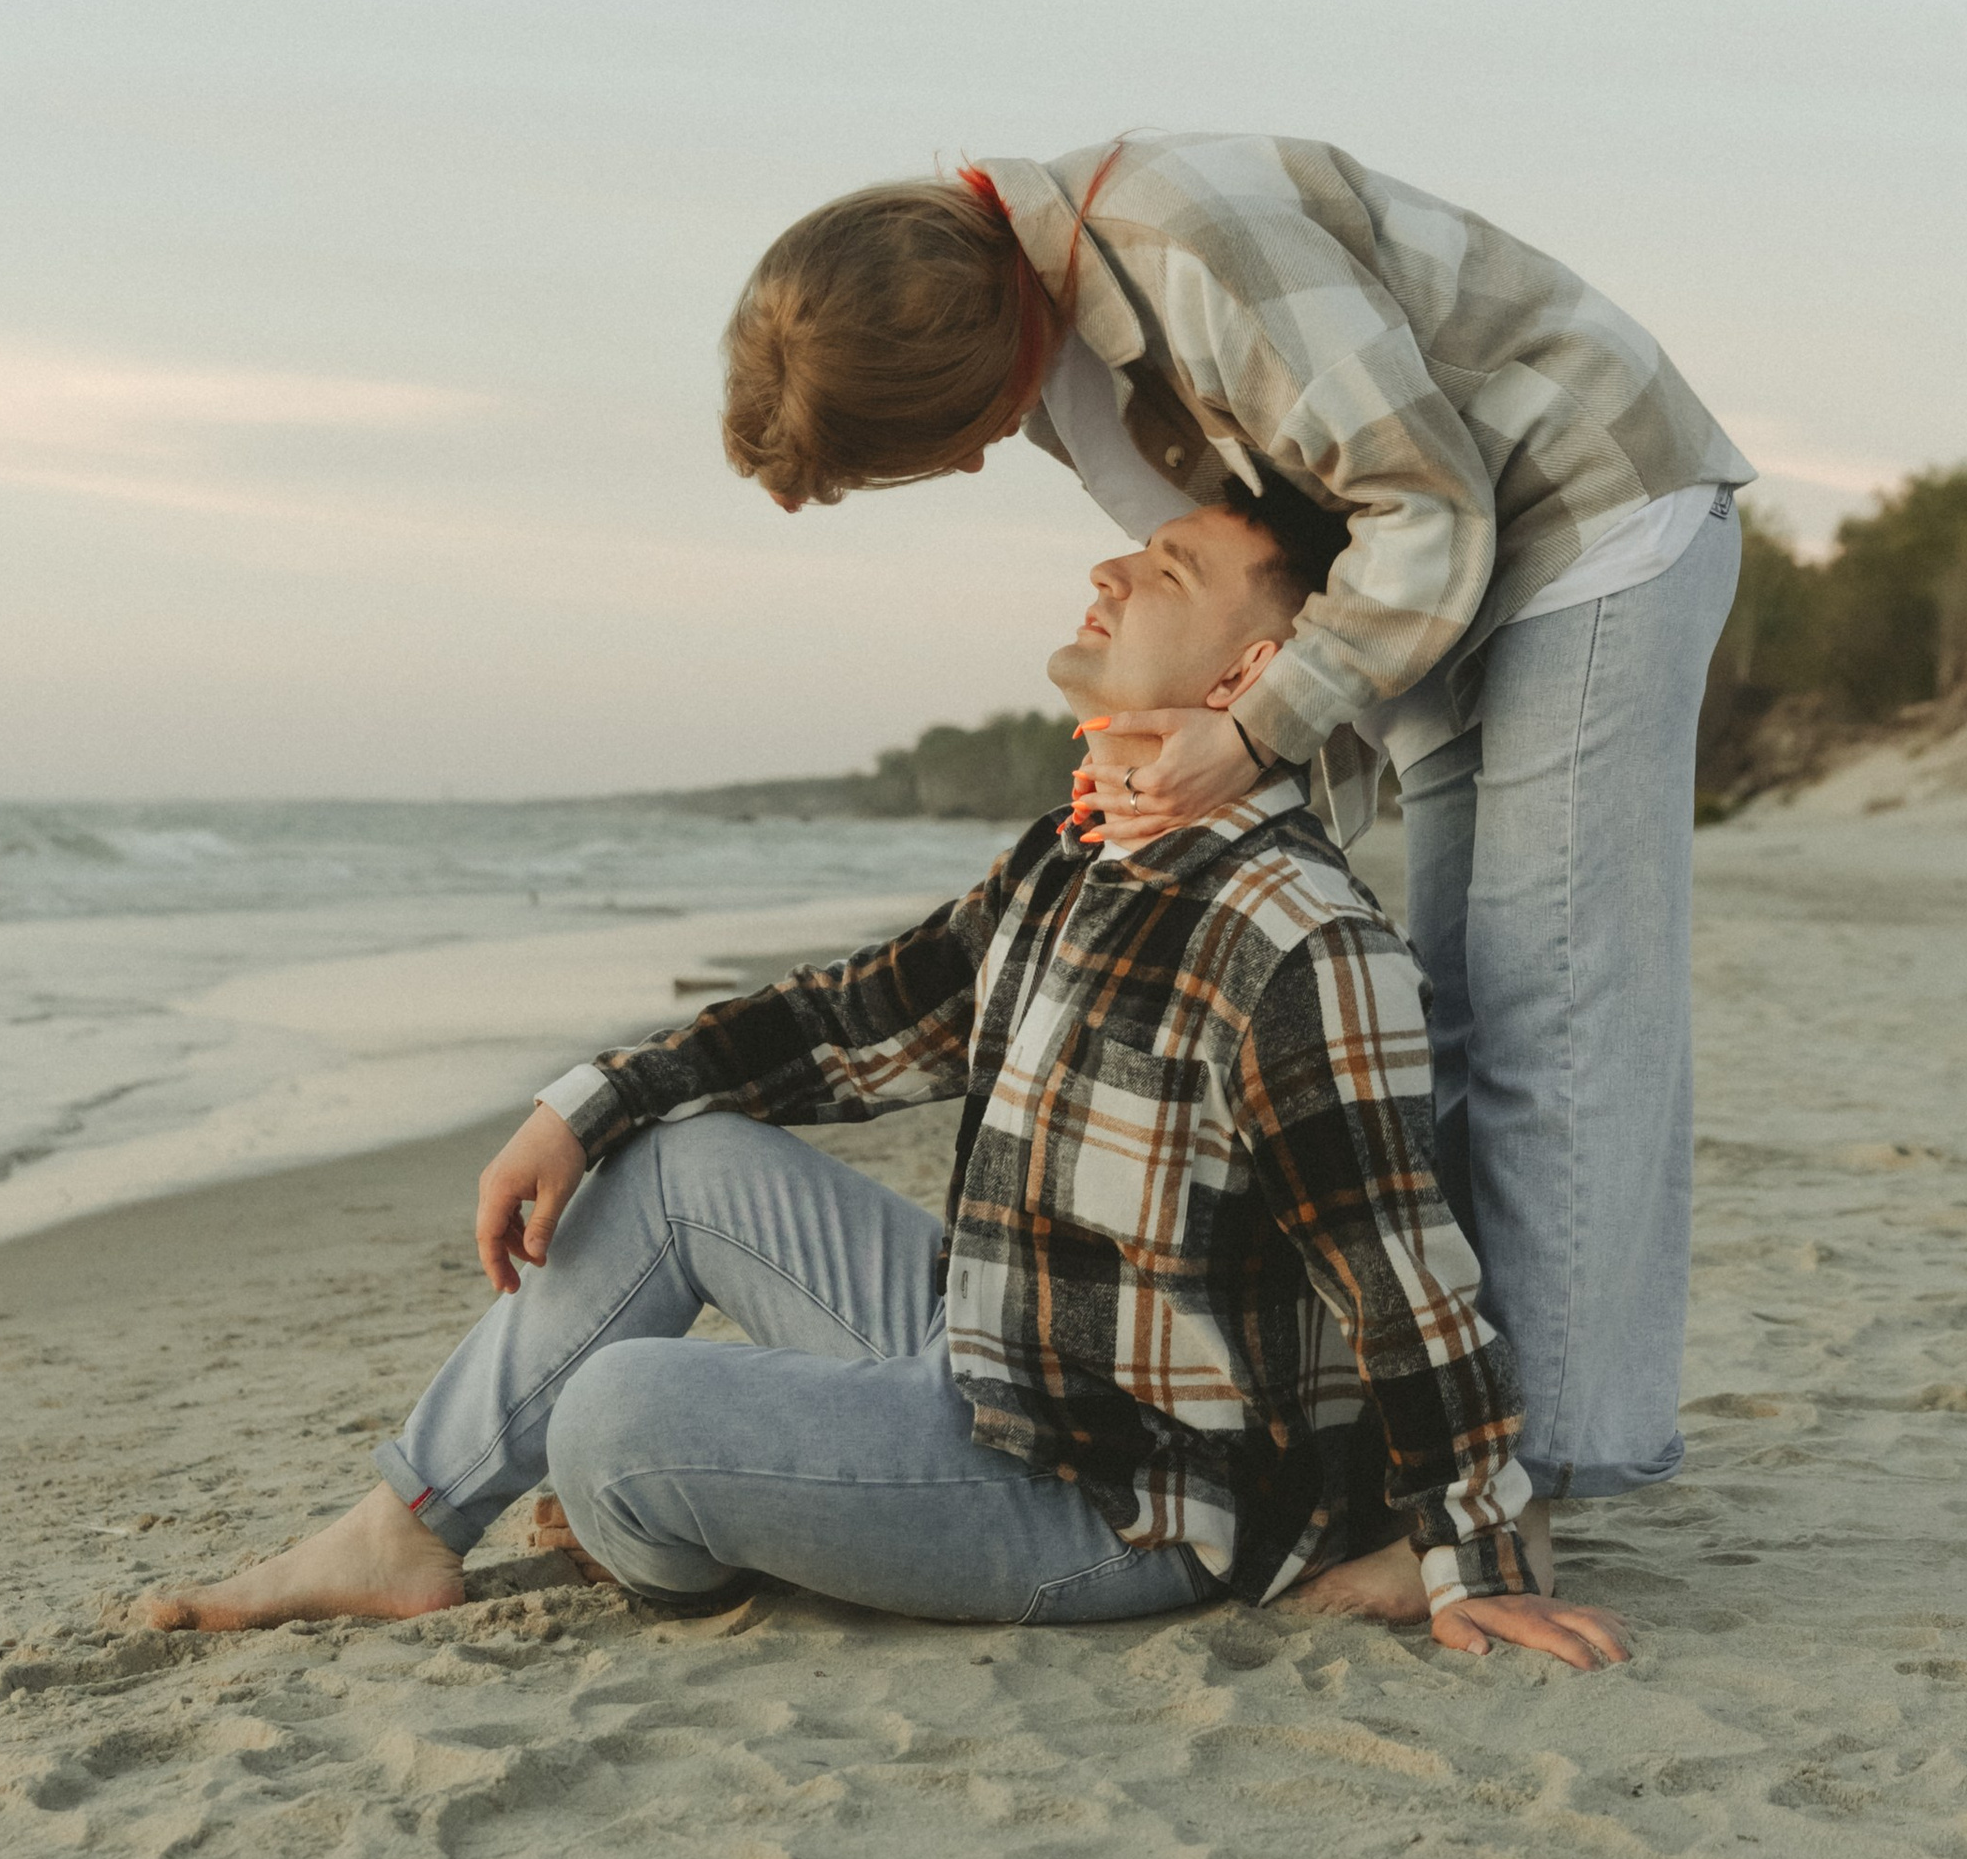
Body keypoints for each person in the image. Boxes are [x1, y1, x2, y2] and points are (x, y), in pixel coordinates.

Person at [137, 481, 1629, 1674]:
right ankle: (405, 1526)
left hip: (1117, 1496)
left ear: (1256, 676)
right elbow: (851, 1018)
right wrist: (578, 1101)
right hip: (993, 1346)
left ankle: (686, 1534)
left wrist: (1475, 1551)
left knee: (621, 1421)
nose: (1110, 576)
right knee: (670, 1163)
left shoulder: (1298, 941)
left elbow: (1404, 1282)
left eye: (1166, 571)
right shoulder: (1077, 858)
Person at [719, 130, 1747, 1598]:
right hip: (1438, 584)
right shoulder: (1056, 356)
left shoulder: (1195, 246)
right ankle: (1441, 1474)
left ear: (989, 347)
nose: (963, 461)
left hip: (1581, 524)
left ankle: (1516, 1515)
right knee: (1446, 1022)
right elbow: (1260, 594)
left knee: (1551, 1019)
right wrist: (1179, 785)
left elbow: (1426, 508)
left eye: (944, 440)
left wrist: (1255, 732)